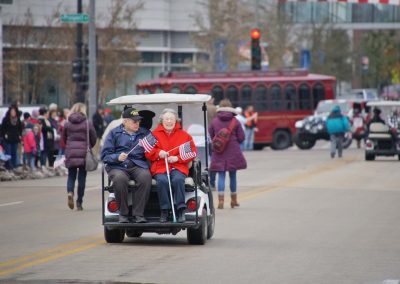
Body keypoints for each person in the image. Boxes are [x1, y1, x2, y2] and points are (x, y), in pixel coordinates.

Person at [101, 107, 152, 223]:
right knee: (119, 179)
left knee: (145, 177)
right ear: (125, 121)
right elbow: (105, 156)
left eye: (138, 121)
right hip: (117, 166)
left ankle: (138, 214)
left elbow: (153, 149)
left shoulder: (145, 133)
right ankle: (123, 213)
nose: (137, 123)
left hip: (137, 164)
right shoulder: (114, 133)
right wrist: (117, 157)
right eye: (134, 121)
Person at [146, 108, 197, 223]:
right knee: (162, 181)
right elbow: (148, 152)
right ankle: (165, 209)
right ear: (162, 121)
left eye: (171, 119)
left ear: (176, 121)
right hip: (160, 166)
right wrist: (159, 153)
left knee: (178, 179)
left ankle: (181, 209)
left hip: (178, 166)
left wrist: (177, 158)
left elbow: (192, 152)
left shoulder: (184, 136)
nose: (169, 121)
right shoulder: (154, 135)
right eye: (167, 119)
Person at [209, 99, 247, 209]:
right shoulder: (235, 121)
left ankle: (221, 201)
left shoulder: (215, 121)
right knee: (233, 175)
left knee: (221, 175)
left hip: (219, 151)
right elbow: (242, 137)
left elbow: (210, 135)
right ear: (230, 107)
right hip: (233, 151)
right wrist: (234, 142)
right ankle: (233, 200)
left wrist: (218, 142)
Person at [62, 103, 97, 211]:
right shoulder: (87, 123)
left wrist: (69, 146)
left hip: (70, 152)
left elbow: (63, 137)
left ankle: (70, 192)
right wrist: (89, 146)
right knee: (82, 178)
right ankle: (79, 202)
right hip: (83, 154)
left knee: (71, 176)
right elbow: (93, 137)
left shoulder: (67, 123)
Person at [0, 104, 23, 169]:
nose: (13, 112)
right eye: (12, 111)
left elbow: (20, 129)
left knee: (14, 153)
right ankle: (9, 166)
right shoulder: (6, 119)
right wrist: (4, 135)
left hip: (15, 138)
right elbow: (2, 129)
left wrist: (19, 135)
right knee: (8, 153)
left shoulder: (18, 120)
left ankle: (14, 166)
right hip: (7, 139)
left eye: (14, 111)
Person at [207, 98, 217, 191]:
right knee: (213, 159)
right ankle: (212, 183)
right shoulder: (214, 109)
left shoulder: (201, 107)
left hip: (202, 136)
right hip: (212, 136)